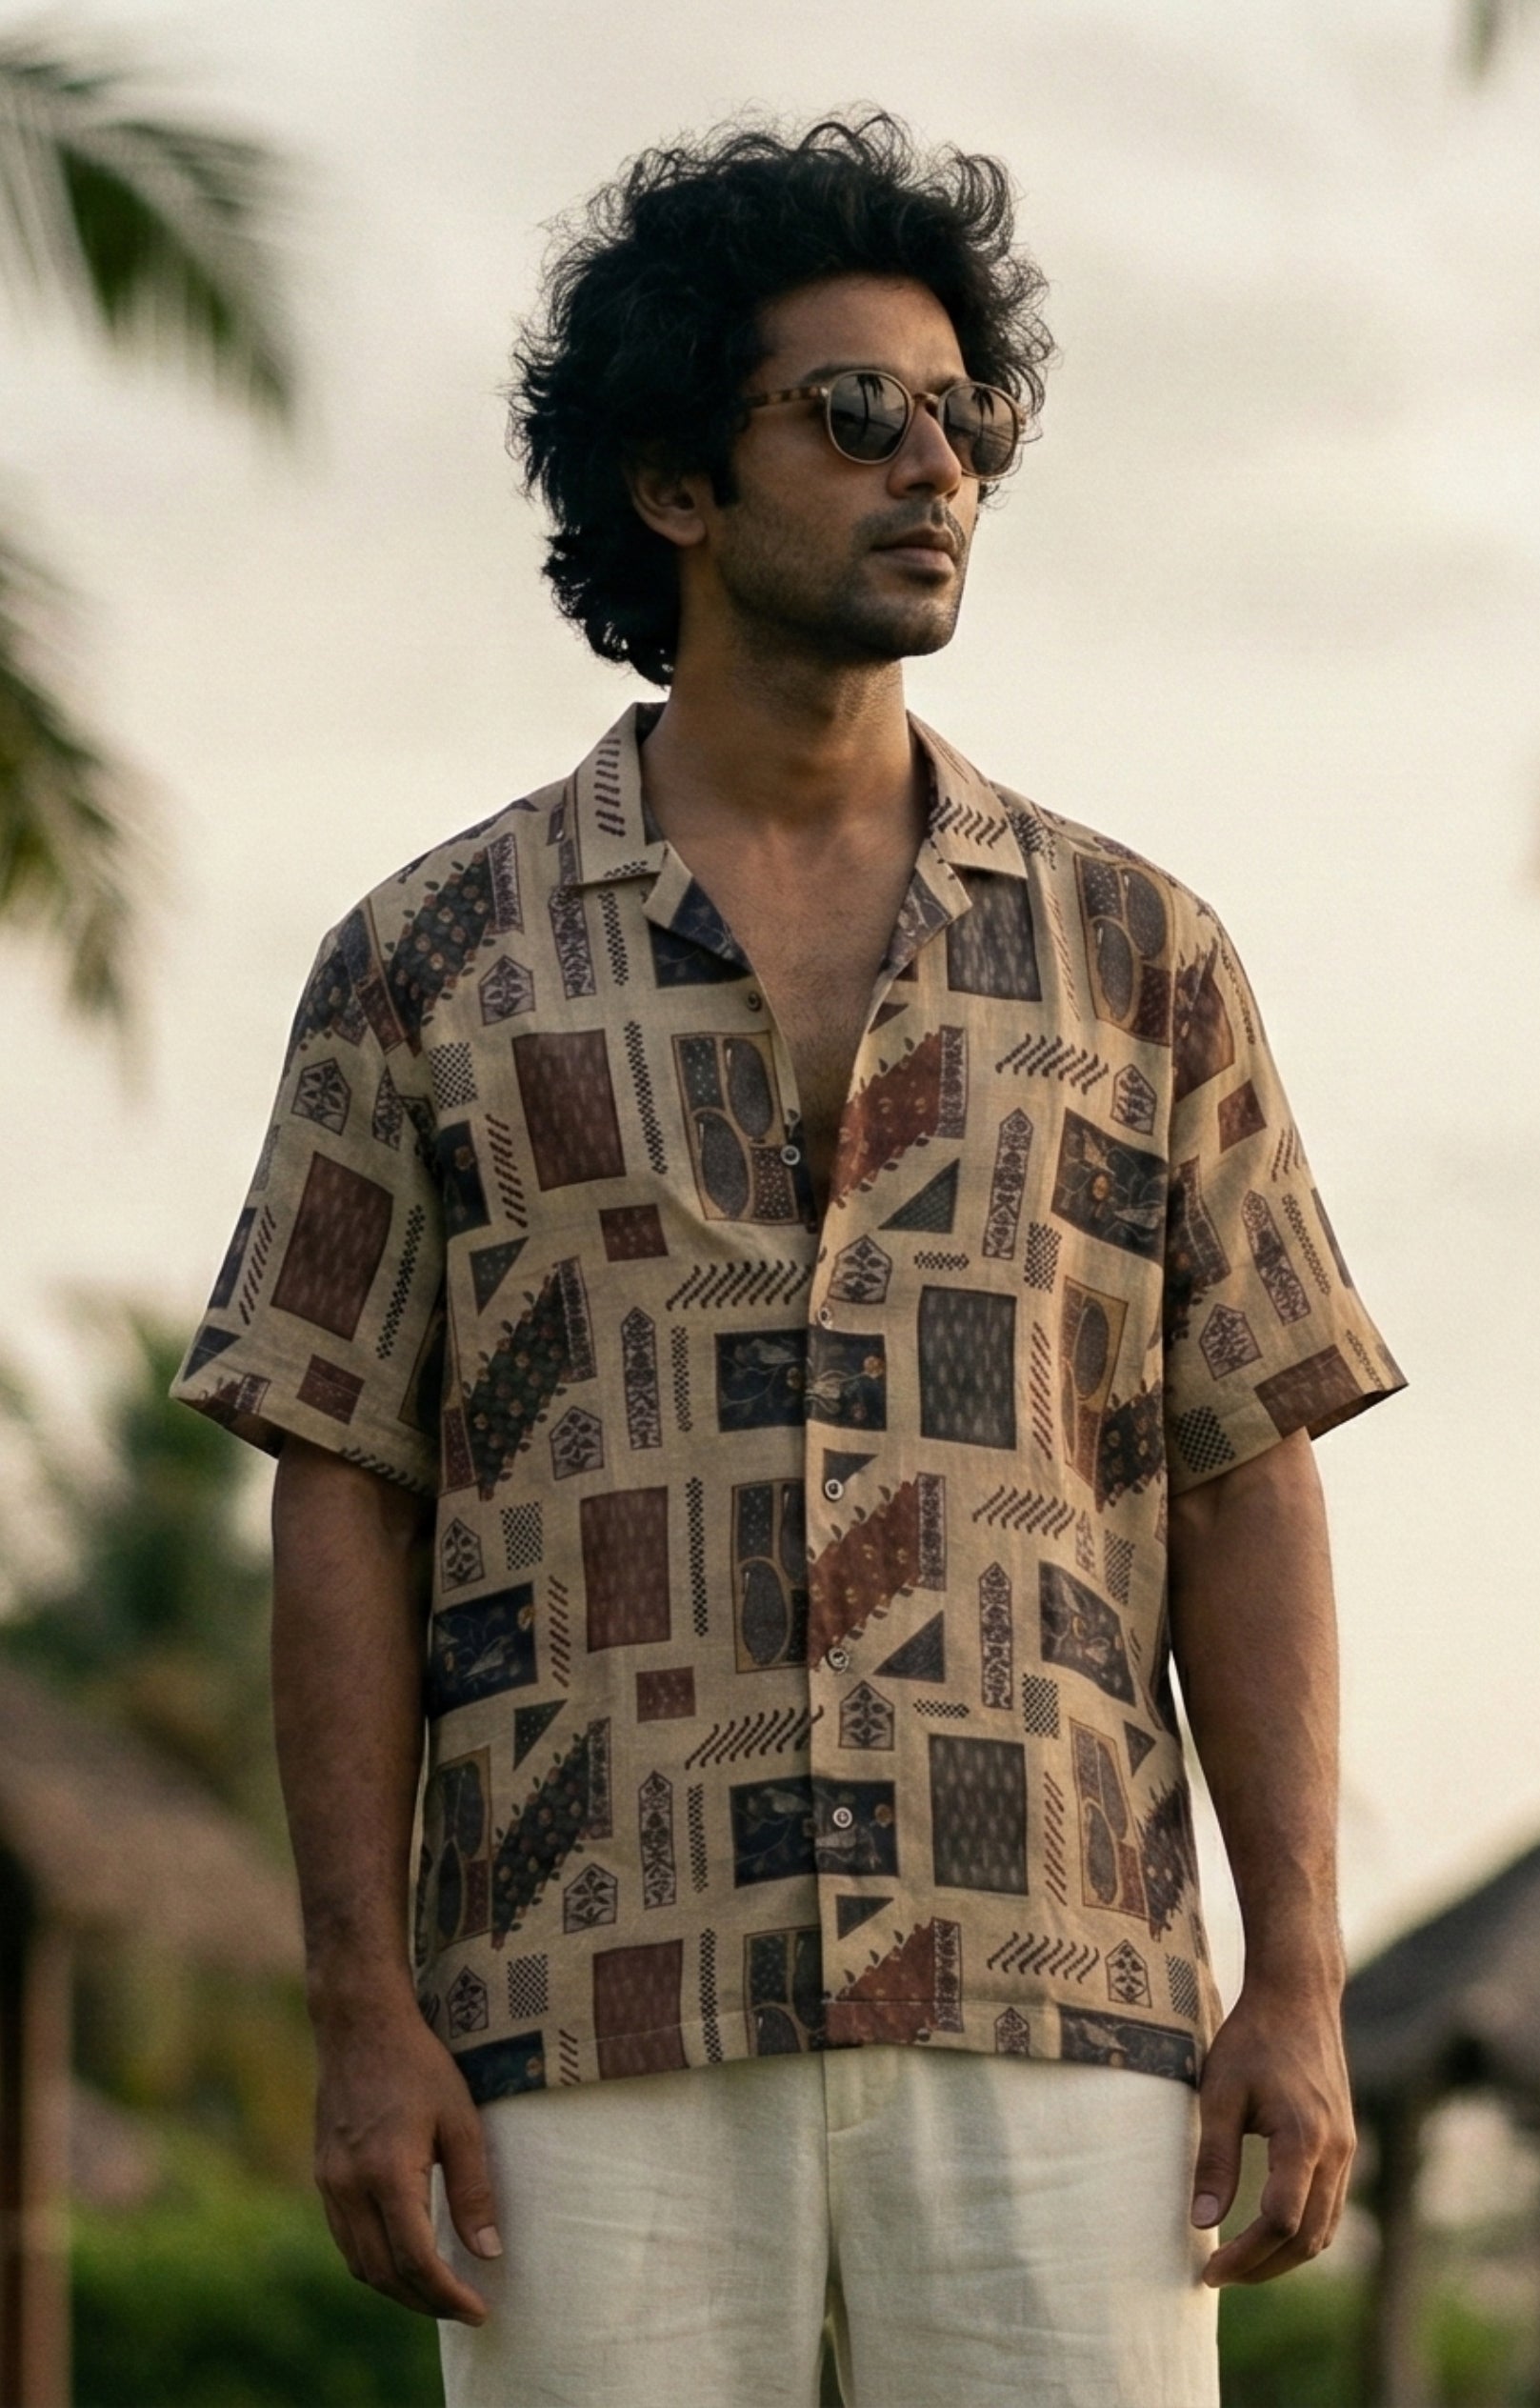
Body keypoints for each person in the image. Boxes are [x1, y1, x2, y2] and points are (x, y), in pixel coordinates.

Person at [172, 114, 1404, 2408]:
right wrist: (363, 2006)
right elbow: (338, 1480)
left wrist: (1297, 1976)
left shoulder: (1137, 959)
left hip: (1050, 1986)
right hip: (587, 1997)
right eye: (853, 415)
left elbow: (1246, 1474)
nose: (929, 466)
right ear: (671, 484)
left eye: (967, 419)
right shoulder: (430, 964)